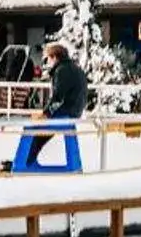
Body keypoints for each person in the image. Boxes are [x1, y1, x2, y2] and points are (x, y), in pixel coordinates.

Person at [13, 41, 88, 172]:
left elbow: (58, 97)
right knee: (40, 133)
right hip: (74, 110)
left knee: (33, 129)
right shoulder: (74, 68)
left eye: (47, 58)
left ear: (54, 57)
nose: (46, 62)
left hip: (66, 112)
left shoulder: (62, 70)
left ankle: (24, 161)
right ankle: (29, 159)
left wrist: (46, 114)